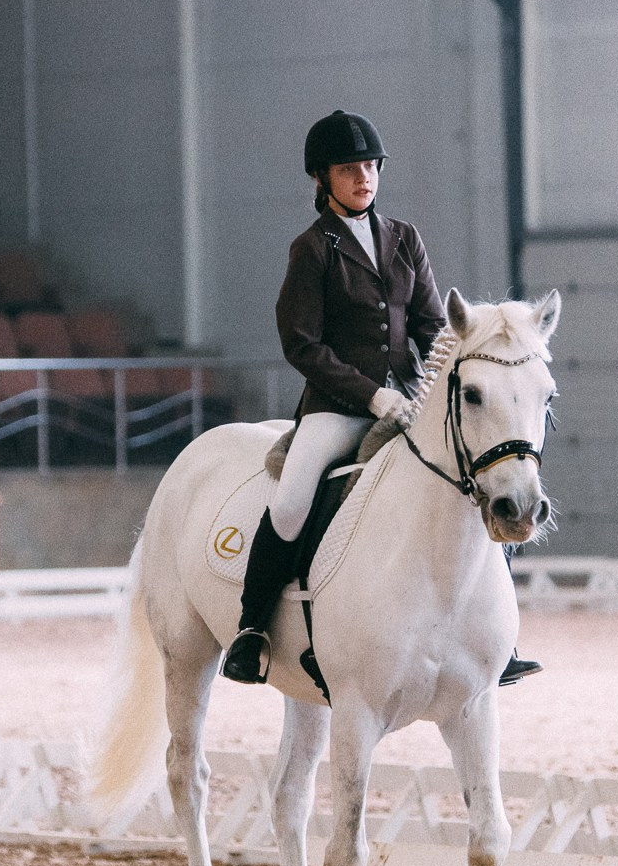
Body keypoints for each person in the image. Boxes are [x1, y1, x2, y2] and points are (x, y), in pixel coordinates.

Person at [221, 109, 540, 688]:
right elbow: (301, 343)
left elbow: (429, 325)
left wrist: (434, 380)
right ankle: (252, 629)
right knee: (293, 501)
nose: (363, 177)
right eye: (349, 169)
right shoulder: (312, 249)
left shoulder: (404, 238)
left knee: (485, 479)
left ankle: (500, 638)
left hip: (411, 400)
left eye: (370, 166)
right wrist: (370, 397)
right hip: (336, 407)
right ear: (322, 178)